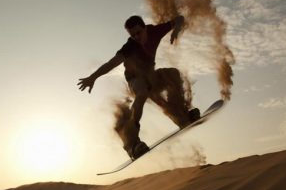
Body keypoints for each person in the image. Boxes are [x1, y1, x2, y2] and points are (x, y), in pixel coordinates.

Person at [78, 15, 199, 160]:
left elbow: (179, 18)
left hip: (151, 77)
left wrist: (176, 29)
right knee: (142, 93)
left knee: (173, 74)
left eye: (138, 32)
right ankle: (132, 144)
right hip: (135, 80)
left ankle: (181, 116)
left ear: (144, 27)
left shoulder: (155, 31)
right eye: (132, 35)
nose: (136, 37)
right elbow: (111, 63)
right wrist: (93, 77)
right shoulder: (130, 47)